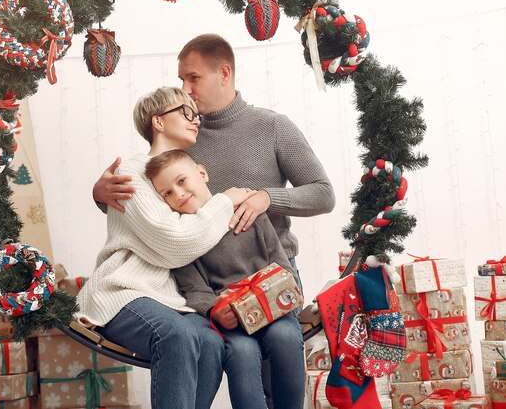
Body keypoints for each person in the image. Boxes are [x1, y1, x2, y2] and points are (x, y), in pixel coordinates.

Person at [93, 34, 336, 407]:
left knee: (281, 359)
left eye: (193, 79)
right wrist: (99, 194)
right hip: (212, 283)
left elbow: (323, 193)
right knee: (239, 356)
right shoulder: (185, 135)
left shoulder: (272, 127)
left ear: (224, 73)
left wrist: (268, 198)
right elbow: (151, 196)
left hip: (271, 271)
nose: (186, 91)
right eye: (181, 81)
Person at [75, 87, 255, 409]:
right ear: (158, 121)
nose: (195, 120)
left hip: (169, 297)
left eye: (195, 114)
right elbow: (176, 241)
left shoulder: (183, 173)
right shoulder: (131, 172)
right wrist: (226, 200)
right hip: (123, 291)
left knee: (213, 342)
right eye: (185, 112)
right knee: (176, 335)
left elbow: (190, 235)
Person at [145, 149, 305, 409]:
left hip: (273, 310)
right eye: (167, 193)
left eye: (182, 181)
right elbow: (193, 288)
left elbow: (280, 262)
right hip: (231, 321)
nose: (179, 194)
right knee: (242, 353)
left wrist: (284, 294)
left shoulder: (247, 213)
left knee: (285, 337)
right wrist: (215, 310)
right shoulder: (184, 238)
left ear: (202, 173)